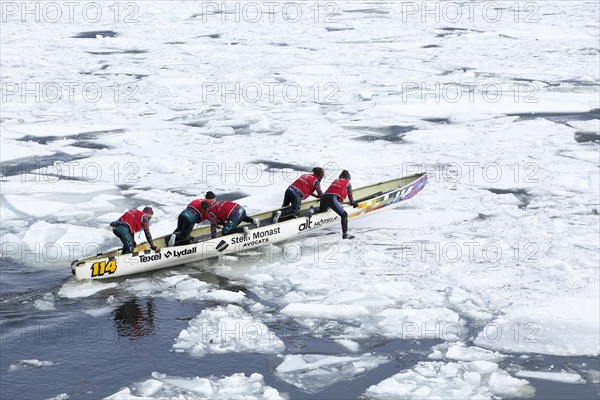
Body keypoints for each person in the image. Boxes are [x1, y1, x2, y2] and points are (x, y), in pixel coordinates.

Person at [319, 170, 358, 239]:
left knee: (321, 212)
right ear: (348, 177)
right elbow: (350, 195)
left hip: (324, 197)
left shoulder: (335, 180)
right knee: (344, 215)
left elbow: (333, 190)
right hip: (332, 198)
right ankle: (345, 234)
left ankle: (312, 209)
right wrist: (353, 203)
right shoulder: (348, 183)